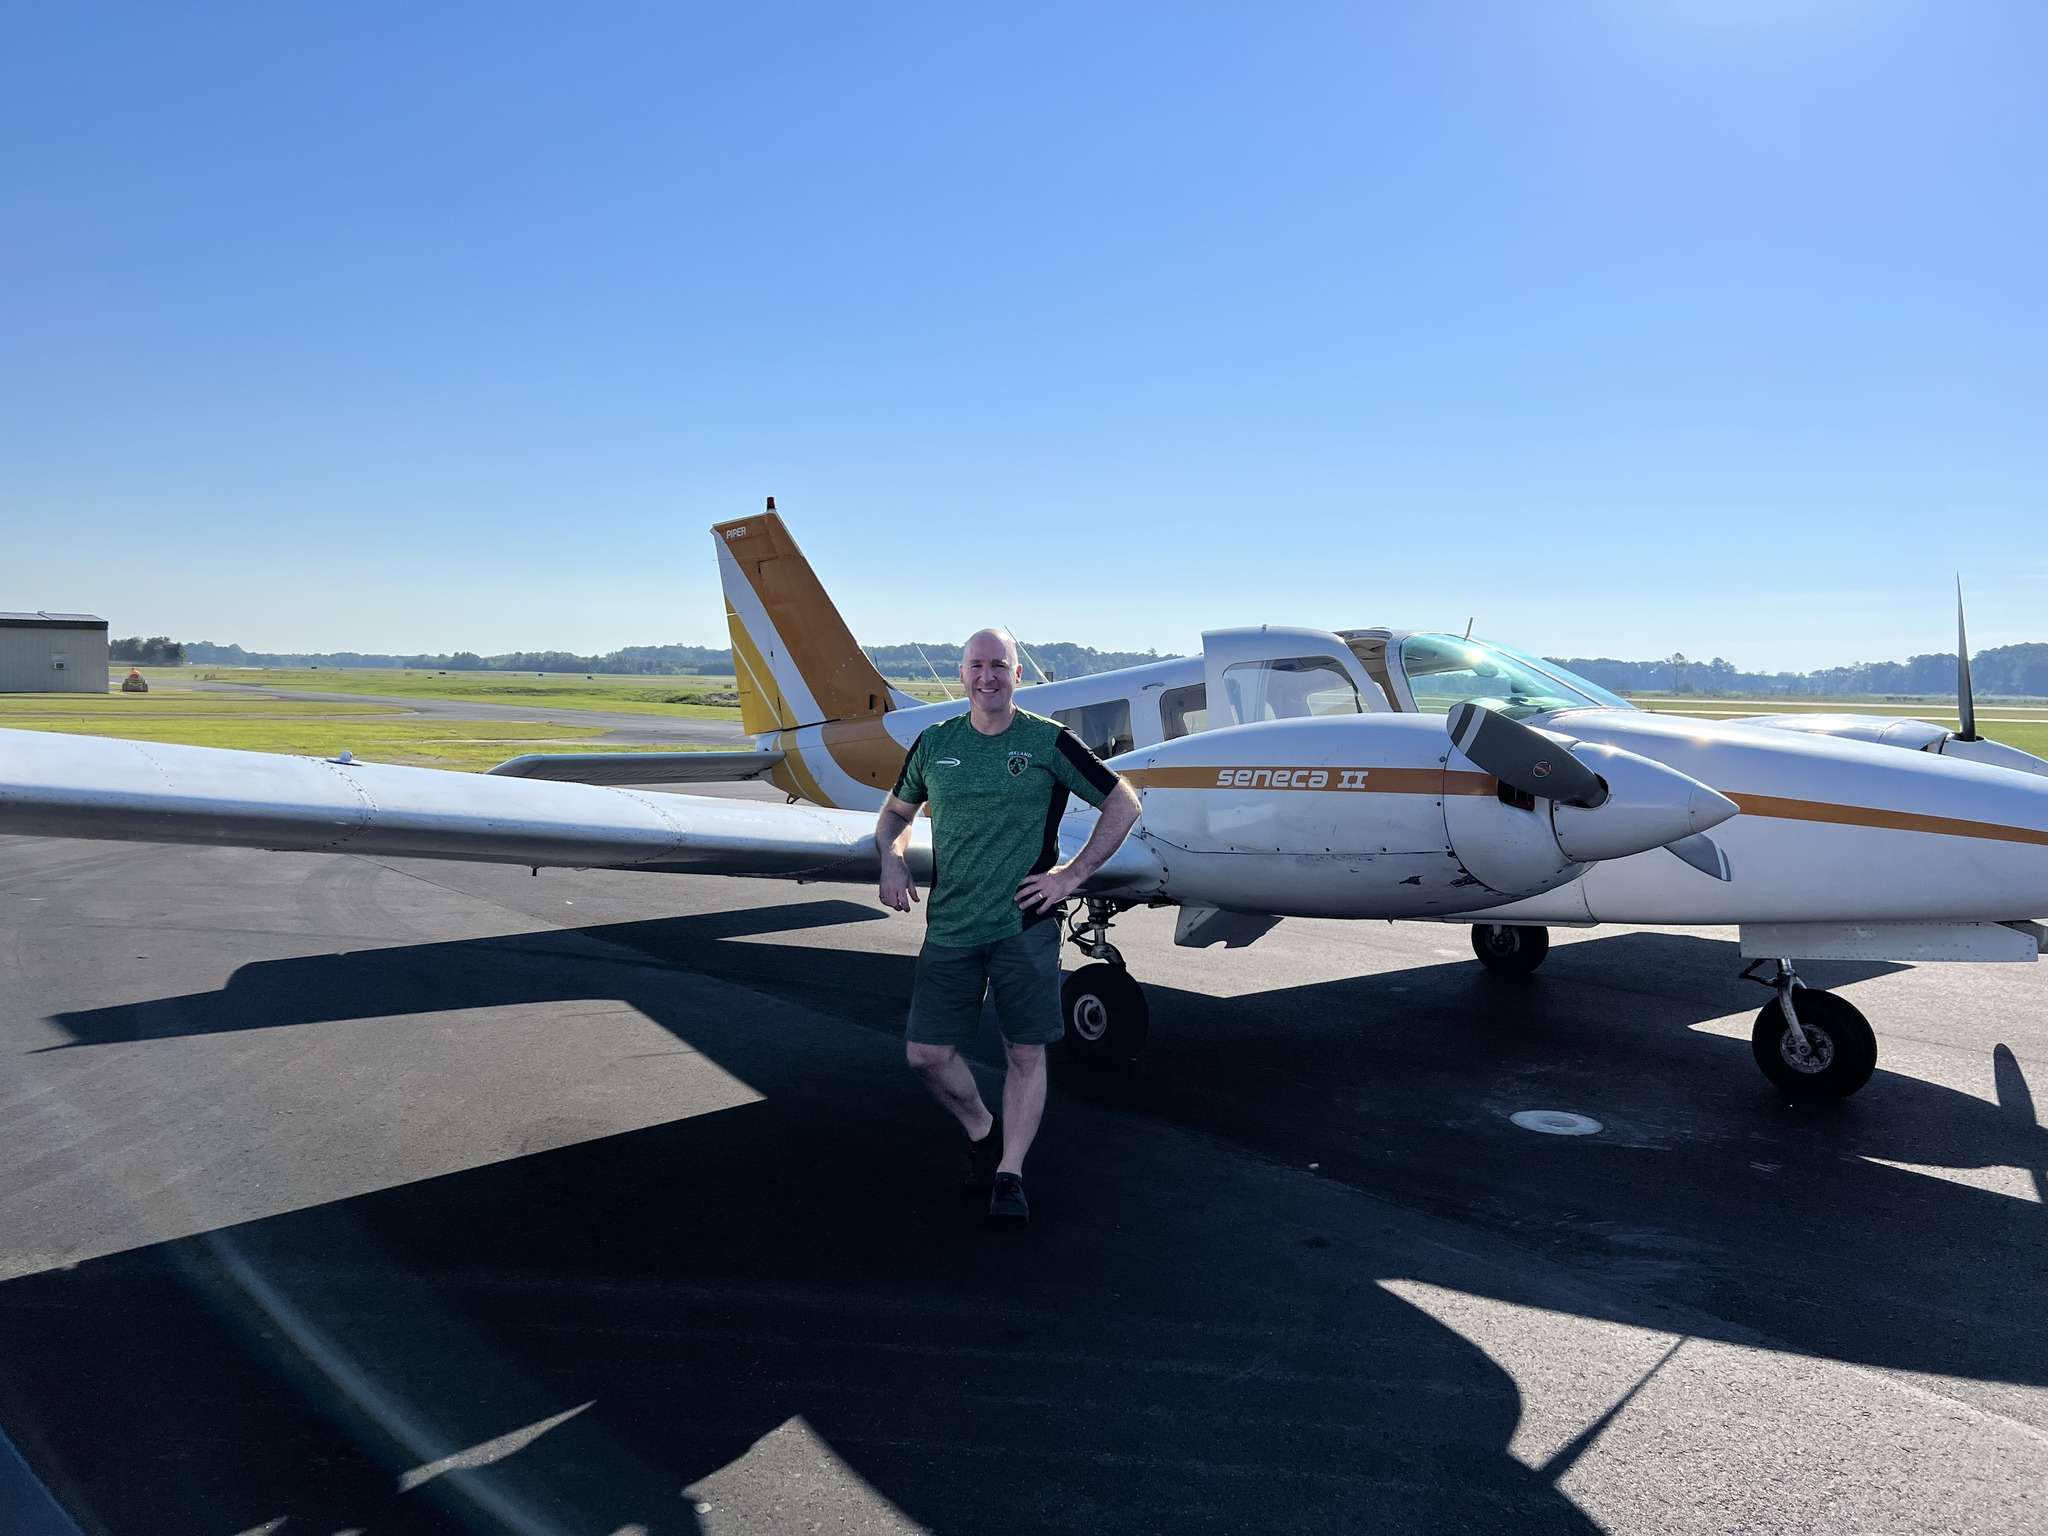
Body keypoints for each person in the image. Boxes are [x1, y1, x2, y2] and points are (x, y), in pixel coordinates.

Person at [876, 628, 1143, 1227]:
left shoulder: (1047, 742)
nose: (987, 676)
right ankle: (982, 1130)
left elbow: (1122, 801)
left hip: (1025, 926)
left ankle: (1009, 1173)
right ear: (963, 673)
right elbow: (895, 814)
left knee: (1024, 1053)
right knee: (925, 1055)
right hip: (950, 924)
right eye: (976, 666)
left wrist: (1070, 877)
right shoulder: (933, 742)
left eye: (1000, 665)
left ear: (1017, 673)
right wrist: (892, 858)